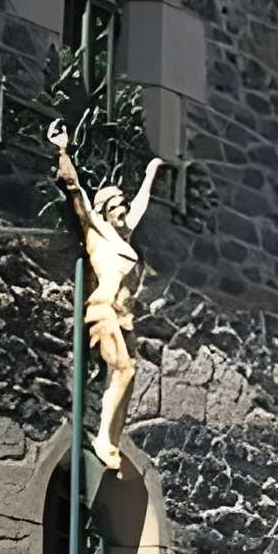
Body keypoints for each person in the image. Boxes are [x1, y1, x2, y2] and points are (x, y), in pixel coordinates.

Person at [46, 118, 161, 467]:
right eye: (117, 207)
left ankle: (108, 437)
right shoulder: (99, 234)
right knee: (124, 371)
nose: (124, 211)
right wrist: (62, 149)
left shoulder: (124, 240)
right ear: (106, 213)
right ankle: (104, 441)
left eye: (124, 206)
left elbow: (141, 203)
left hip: (124, 319)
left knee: (128, 374)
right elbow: (76, 192)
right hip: (102, 311)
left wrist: (153, 170)